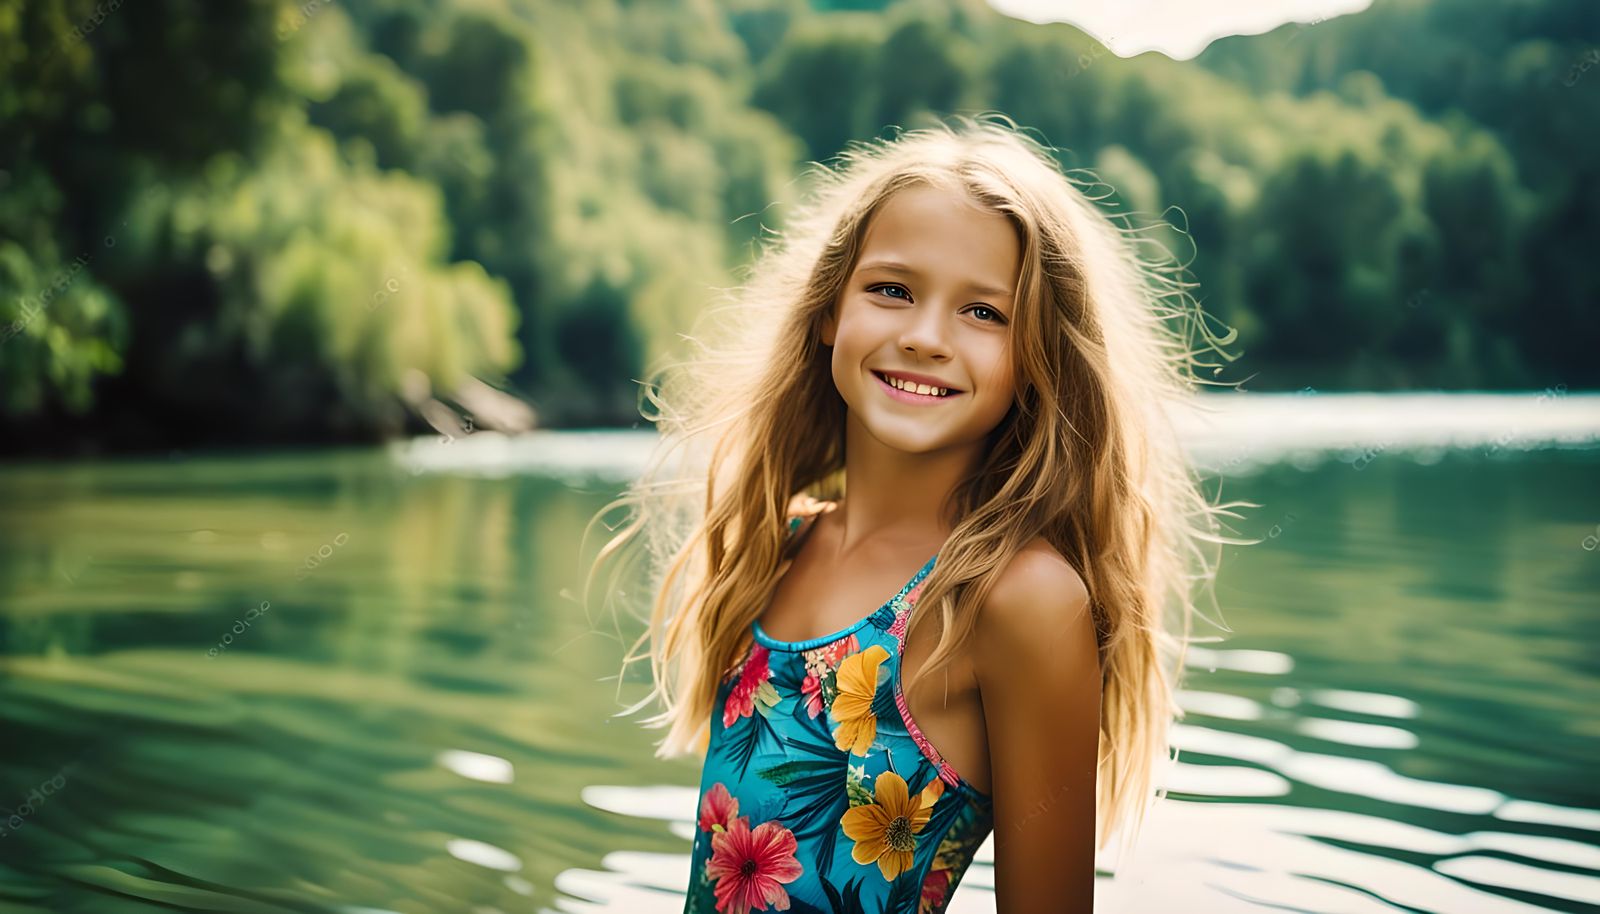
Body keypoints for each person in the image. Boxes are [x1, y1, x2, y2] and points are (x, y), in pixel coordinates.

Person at [583, 114, 1235, 914]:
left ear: (1036, 359)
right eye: (893, 290)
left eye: (984, 313)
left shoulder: (1017, 599)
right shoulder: (781, 543)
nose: (926, 337)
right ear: (830, 312)